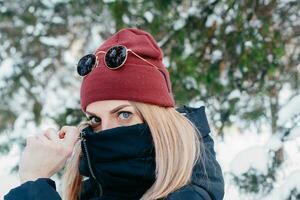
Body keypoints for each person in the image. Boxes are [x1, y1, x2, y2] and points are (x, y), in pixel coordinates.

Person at [4, 28, 224, 200]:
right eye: (96, 119)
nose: (106, 132)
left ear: (158, 120)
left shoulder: (189, 194)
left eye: (124, 114)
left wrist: (33, 183)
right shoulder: (97, 188)